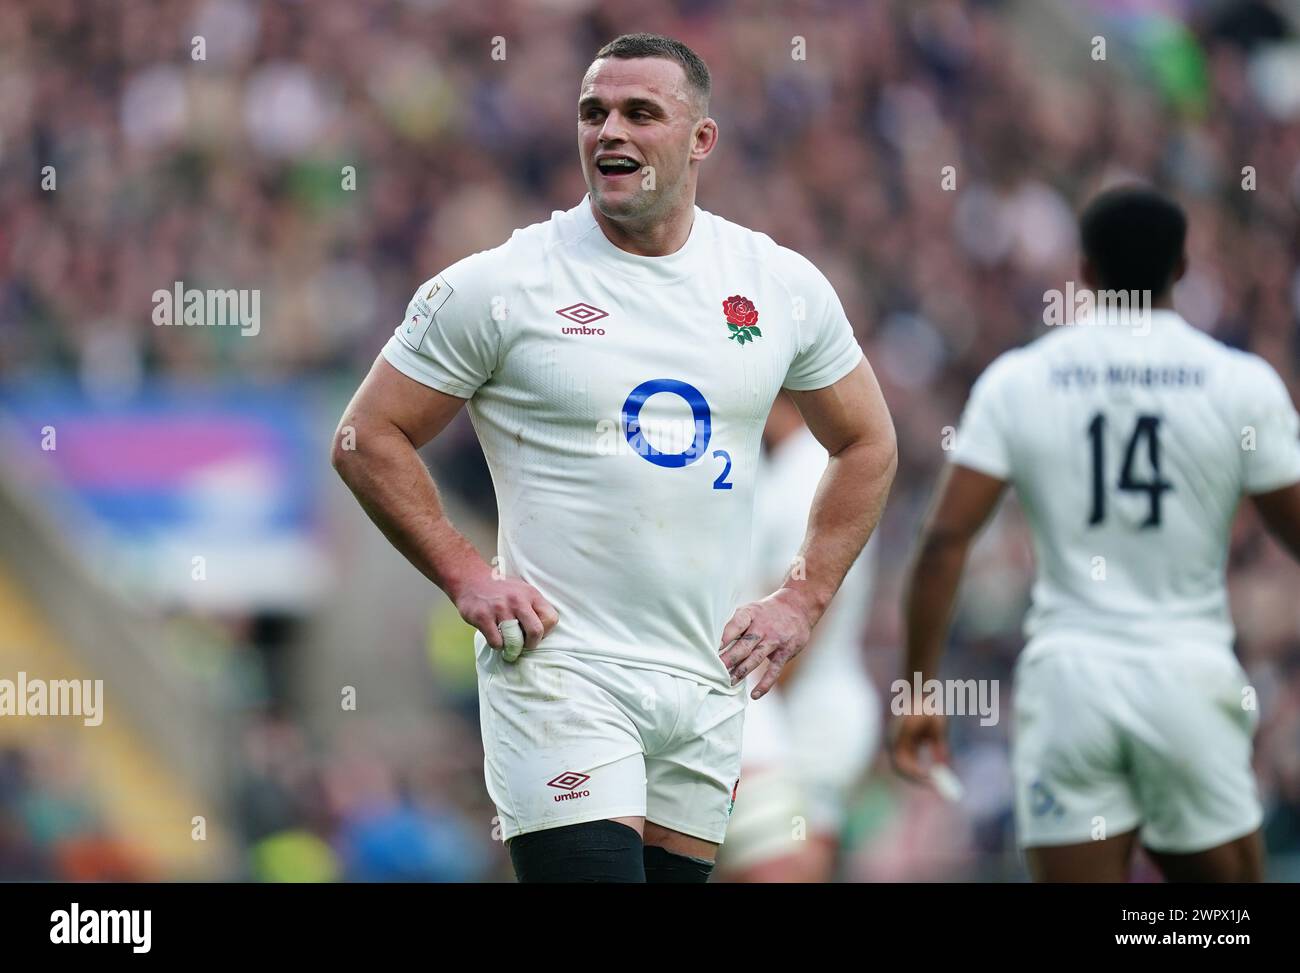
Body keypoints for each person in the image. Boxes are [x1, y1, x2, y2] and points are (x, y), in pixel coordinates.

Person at [331, 33, 897, 883]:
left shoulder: (775, 283)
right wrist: (465, 573)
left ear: (701, 140)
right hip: (565, 676)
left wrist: (802, 598)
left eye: (640, 113)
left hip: (707, 685)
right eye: (594, 113)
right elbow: (364, 436)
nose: (610, 132)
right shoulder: (503, 284)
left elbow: (868, 441)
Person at [892, 184, 1300, 882]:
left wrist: (920, 689)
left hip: (1069, 682)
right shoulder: (1240, 384)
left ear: (1084, 271)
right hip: (1189, 676)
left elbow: (943, 541)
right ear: (1181, 268)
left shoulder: (1021, 380)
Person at [720, 393, 880, 882]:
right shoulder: (795, 467)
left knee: (786, 862)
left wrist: (761, 708)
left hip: (806, 707)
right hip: (809, 703)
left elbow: (809, 605)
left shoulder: (804, 472)